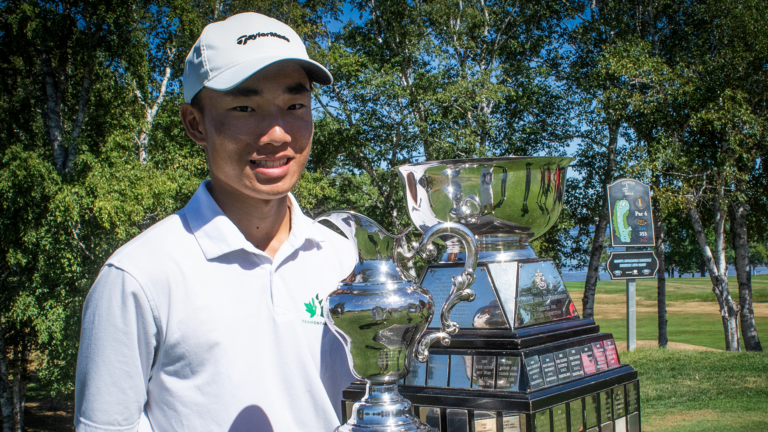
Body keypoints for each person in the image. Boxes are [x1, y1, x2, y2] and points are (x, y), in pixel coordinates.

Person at [74, 13, 357, 432]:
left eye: (294, 105)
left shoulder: (345, 260)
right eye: (245, 107)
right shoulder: (138, 276)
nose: (278, 133)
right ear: (195, 124)